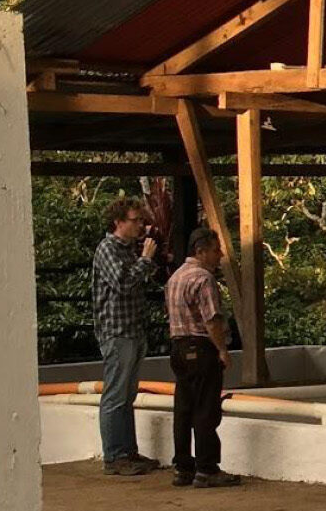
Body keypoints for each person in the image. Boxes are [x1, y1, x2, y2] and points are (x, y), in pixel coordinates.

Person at [165, 227, 242, 489]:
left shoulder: (175, 277)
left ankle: (183, 466)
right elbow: (212, 320)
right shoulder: (203, 279)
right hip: (200, 346)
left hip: (178, 346)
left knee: (184, 408)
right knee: (206, 409)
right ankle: (207, 467)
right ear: (201, 251)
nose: (219, 255)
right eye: (215, 249)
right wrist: (221, 349)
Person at [91, 195, 162, 477]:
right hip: (117, 331)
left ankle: (127, 451)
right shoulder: (108, 249)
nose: (140, 226)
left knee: (127, 393)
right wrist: (146, 260)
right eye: (135, 221)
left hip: (133, 329)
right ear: (118, 222)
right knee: (116, 395)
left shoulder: (128, 249)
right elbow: (122, 282)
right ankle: (114, 455)